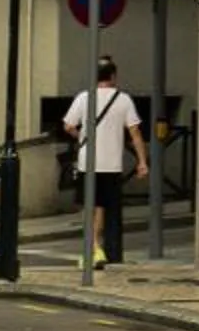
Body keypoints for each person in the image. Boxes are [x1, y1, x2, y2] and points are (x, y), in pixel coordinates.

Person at [62, 55, 148, 268]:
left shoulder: (84, 97)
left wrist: (82, 136)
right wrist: (142, 161)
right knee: (102, 208)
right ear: (113, 76)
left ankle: (93, 249)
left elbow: (68, 125)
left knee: (90, 207)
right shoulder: (124, 99)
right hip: (111, 164)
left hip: (87, 163)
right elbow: (135, 132)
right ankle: (97, 249)